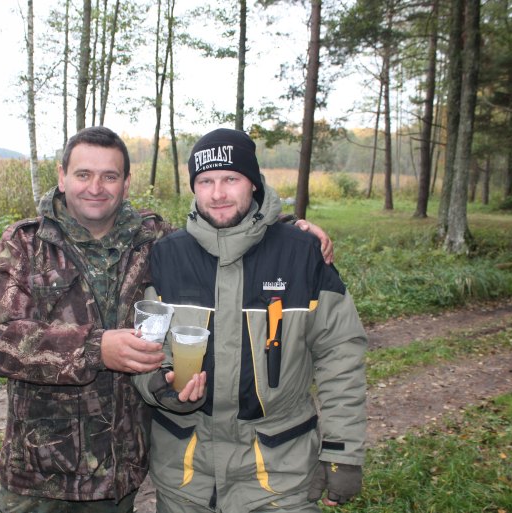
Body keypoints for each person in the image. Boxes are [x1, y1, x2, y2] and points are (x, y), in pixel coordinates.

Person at [0, 126, 335, 512]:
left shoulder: (153, 239)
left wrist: (288, 232)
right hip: (39, 475)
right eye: (83, 174)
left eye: (109, 176)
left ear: (126, 183)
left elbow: (219, 237)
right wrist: (95, 348)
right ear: (62, 177)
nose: (95, 187)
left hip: (118, 475)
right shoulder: (26, 244)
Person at [133, 128, 367, 513]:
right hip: (186, 474)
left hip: (279, 472)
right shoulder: (168, 257)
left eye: (231, 179)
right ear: (193, 187)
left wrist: (342, 452)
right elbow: (144, 348)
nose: (218, 193)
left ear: (254, 183)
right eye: (205, 181)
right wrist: (162, 386)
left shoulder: (301, 255)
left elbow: (340, 356)